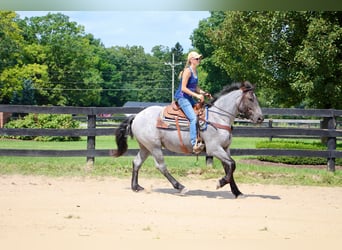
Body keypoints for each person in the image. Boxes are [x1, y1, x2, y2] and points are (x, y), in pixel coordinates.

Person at [174, 51, 211, 154]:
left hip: (189, 98)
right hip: (182, 97)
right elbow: (183, 88)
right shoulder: (188, 71)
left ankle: (203, 137)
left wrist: (204, 93)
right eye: (197, 59)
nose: (199, 60)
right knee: (193, 118)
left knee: (202, 114)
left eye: (199, 59)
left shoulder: (195, 71)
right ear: (191, 60)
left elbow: (195, 87)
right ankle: (194, 143)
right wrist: (197, 96)